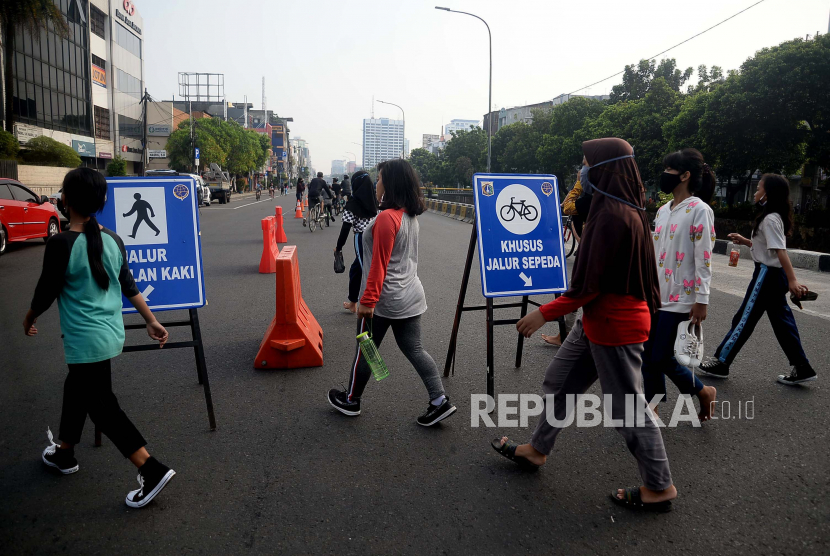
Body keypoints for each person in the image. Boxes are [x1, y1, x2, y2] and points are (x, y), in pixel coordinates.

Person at [492, 138, 677, 512]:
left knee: (628, 410)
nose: (582, 173)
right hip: (596, 320)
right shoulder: (624, 208)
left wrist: (542, 313)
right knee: (559, 381)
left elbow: (587, 286)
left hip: (615, 326)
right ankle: (538, 449)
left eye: (586, 165)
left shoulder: (613, 216)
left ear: (604, 169)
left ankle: (659, 487)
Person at [23, 168, 176, 509]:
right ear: (102, 202)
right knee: (76, 390)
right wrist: (151, 320)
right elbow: (129, 286)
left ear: (66, 200)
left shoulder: (61, 244)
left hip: (84, 341)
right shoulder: (112, 240)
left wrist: (30, 316)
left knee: (103, 408)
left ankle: (151, 469)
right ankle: (64, 452)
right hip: (108, 335)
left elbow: (46, 291)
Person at [327, 159, 457, 427]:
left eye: (380, 178)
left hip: (385, 299)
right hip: (410, 295)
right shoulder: (408, 214)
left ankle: (352, 399)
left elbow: (379, 264)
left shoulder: (387, 218)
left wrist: (368, 300)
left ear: (391, 183)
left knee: (366, 347)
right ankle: (439, 400)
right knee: (415, 349)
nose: (377, 183)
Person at [698, 174, 817, 385]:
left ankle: (722, 362)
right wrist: (745, 241)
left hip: (766, 275)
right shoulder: (771, 216)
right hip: (771, 275)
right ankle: (802, 367)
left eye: (759, 188)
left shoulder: (770, 219)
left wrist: (793, 281)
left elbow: (780, 252)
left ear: (767, 194)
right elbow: (768, 249)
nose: (755, 192)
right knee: (783, 323)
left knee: (744, 318)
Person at [643, 148, 718, 420]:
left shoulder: (700, 210)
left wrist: (702, 298)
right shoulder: (663, 211)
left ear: (685, 175)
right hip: (656, 294)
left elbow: (704, 258)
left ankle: (702, 392)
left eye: (669, 170)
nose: (664, 175)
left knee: (661, 357)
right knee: (647, 352)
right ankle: (653, 407)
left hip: (682, 298)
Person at [541, 175, 590, 347]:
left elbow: (567, 206)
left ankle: (569, 334)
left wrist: (578, 182)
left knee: (575, 289)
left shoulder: (589, 200)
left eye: (585, 168)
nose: (581, 172)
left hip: (592, 253)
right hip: (593, 251)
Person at [335, 170, 379, 313]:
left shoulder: (353, 203)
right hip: (376, 237)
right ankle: (353, 303)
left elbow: (346, 228)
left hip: (361, 238)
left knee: (365, 270)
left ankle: (370, 304)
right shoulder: (375, 200)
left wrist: (338, 247)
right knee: (356, 270)